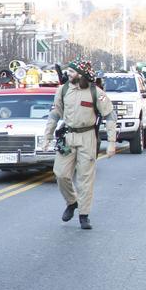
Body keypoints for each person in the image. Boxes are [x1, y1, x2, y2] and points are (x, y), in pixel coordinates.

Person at [42, 58, 117, 230]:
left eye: (72, 72)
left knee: (85, 178)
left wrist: (112, 142)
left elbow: (110, 116)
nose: (68, 74)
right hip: (68, 136)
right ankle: (72, 202)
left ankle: (84, 215)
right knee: (60, 174)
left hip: (87, 137)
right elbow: (55, 113)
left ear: (81, 74)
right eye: (68, 71)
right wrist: (47, 137)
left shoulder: (95, 92)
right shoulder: (63, 90)